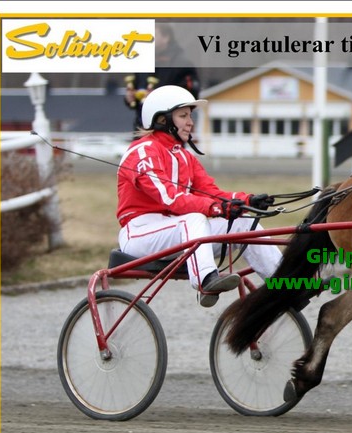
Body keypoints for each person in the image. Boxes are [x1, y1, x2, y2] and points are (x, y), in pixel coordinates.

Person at [116, 85, 283, 307]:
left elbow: (212, 193)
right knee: (193, 219)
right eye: (183, 116)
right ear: (163, 120)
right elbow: (171, 199)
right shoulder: (142, 152)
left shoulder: (185, 157)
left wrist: (246, 201)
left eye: (190, 116)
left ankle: (287, 285)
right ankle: (205, 281)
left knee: (244, 222)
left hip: (180, 232)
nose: (190, 122)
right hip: (140, 234)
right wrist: (216, 208)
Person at [124, 24, 200, 132]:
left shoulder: (182, 64)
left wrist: (157, 98)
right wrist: (130, 98)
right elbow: (136, 95)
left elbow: (191, 97)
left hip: (170, 130)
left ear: (166, 38)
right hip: (142, 129)